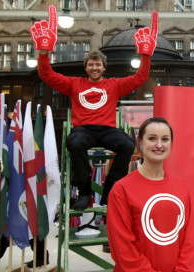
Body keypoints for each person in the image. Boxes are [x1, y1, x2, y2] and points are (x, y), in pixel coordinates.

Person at [30, 6, 158, 210]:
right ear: (86, 67)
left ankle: (111, 190)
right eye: (91, 64)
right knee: (76, 143)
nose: (94, 68)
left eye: (98, 65)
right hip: (83, 129)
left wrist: (145, 55)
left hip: (107, 130)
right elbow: (47, 75)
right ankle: (84, 191)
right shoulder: (74, 84)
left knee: (127, 145)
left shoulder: (113, 85)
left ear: (104, 68)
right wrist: (43, 52)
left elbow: (140, 77)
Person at [107, 117, 194, 272]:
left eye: (165, 139)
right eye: (152, 138)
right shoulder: (121, 189)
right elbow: (122, 249)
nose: (159, 145)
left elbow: (188, 238)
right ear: (140, 141)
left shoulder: (180, 186)